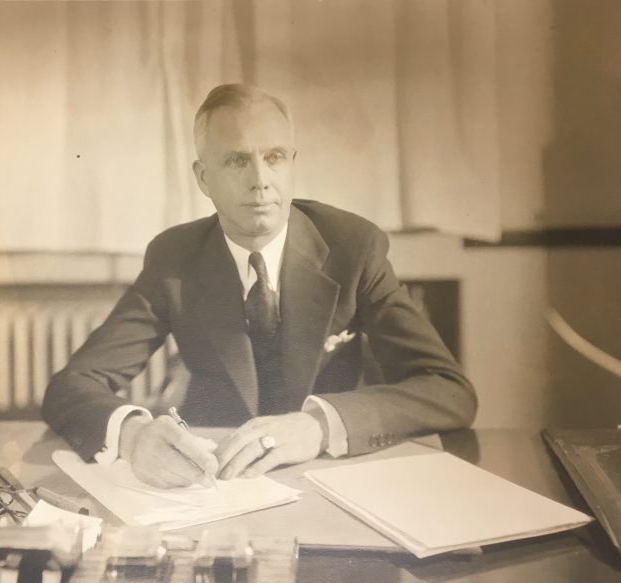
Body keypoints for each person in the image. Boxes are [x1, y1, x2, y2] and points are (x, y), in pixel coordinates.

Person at [42, 84, 477, 488]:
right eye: (236, 160)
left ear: (292, 164)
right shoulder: (174, 258)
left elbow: (449, 389)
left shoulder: (353, 248)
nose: (260, 180)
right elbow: (73, 384)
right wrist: (135, 436)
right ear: (203, 178)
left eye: (274, 157)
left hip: (331, 475)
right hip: (214, 477)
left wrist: (319, 425)